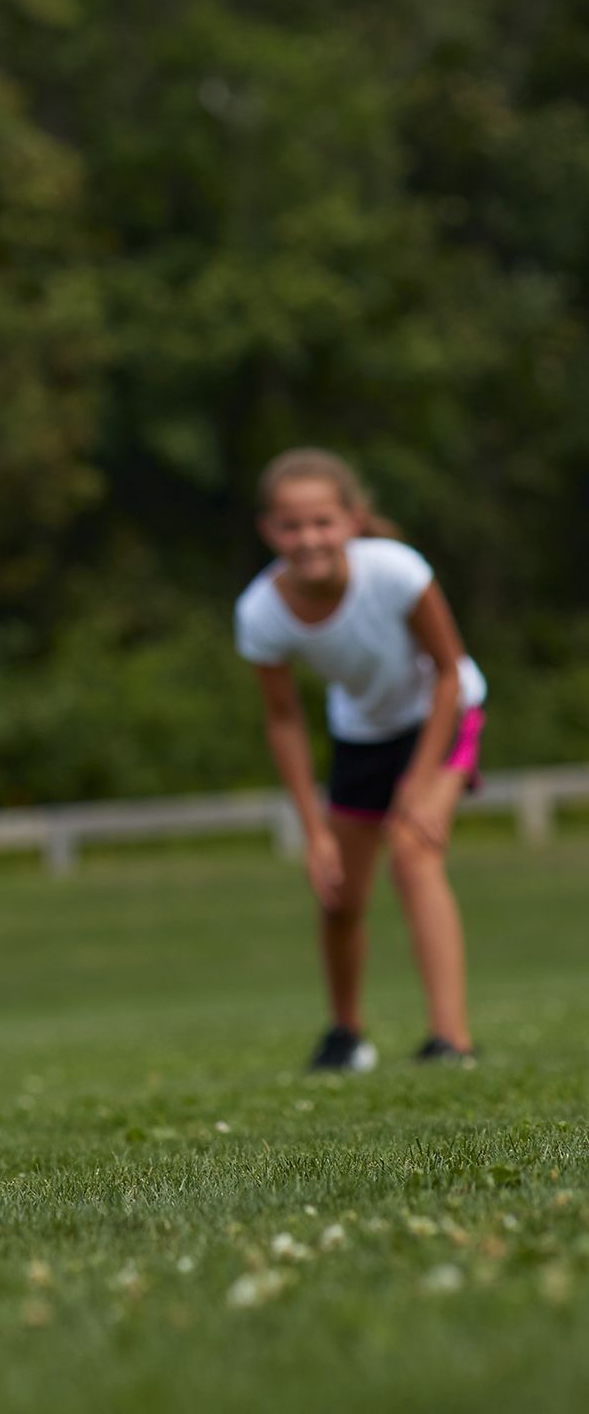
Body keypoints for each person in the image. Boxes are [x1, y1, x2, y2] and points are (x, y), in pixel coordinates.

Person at [234, 447, 486, 1074]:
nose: (308, 538)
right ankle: (346, 1035)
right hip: (363, 734)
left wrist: (419, 784)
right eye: (291, 526)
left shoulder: (396, 572)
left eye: (322, 521)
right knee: (339, 890)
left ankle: (450, 1041)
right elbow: (284, 720)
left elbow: (450, 677)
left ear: (351, 521)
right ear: (269, 531)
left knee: (413, 852)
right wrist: (313, 830)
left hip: (443, 714)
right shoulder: (261, 612)